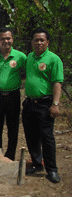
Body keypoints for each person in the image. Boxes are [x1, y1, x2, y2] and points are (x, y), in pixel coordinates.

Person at [22, 27, 63, 183]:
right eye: (36, 40)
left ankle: (52, 170)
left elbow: (57, 82)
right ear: (32, 42)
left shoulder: (53, 59)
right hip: (29, 103)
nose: (38, 42)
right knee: (31, 136)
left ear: (47, 42)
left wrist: (55, 104)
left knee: (47, 137)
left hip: (45, 104)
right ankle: (37, 164)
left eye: (42, 40)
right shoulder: (30, 57)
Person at [0, 28, 26, 160]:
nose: (6, 41)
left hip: (13, 96)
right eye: (2, 39)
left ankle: (11, 154)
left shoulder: (21, 56)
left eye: (8, 38)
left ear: (12, 39)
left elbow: (26, 73)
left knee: (13, 127)